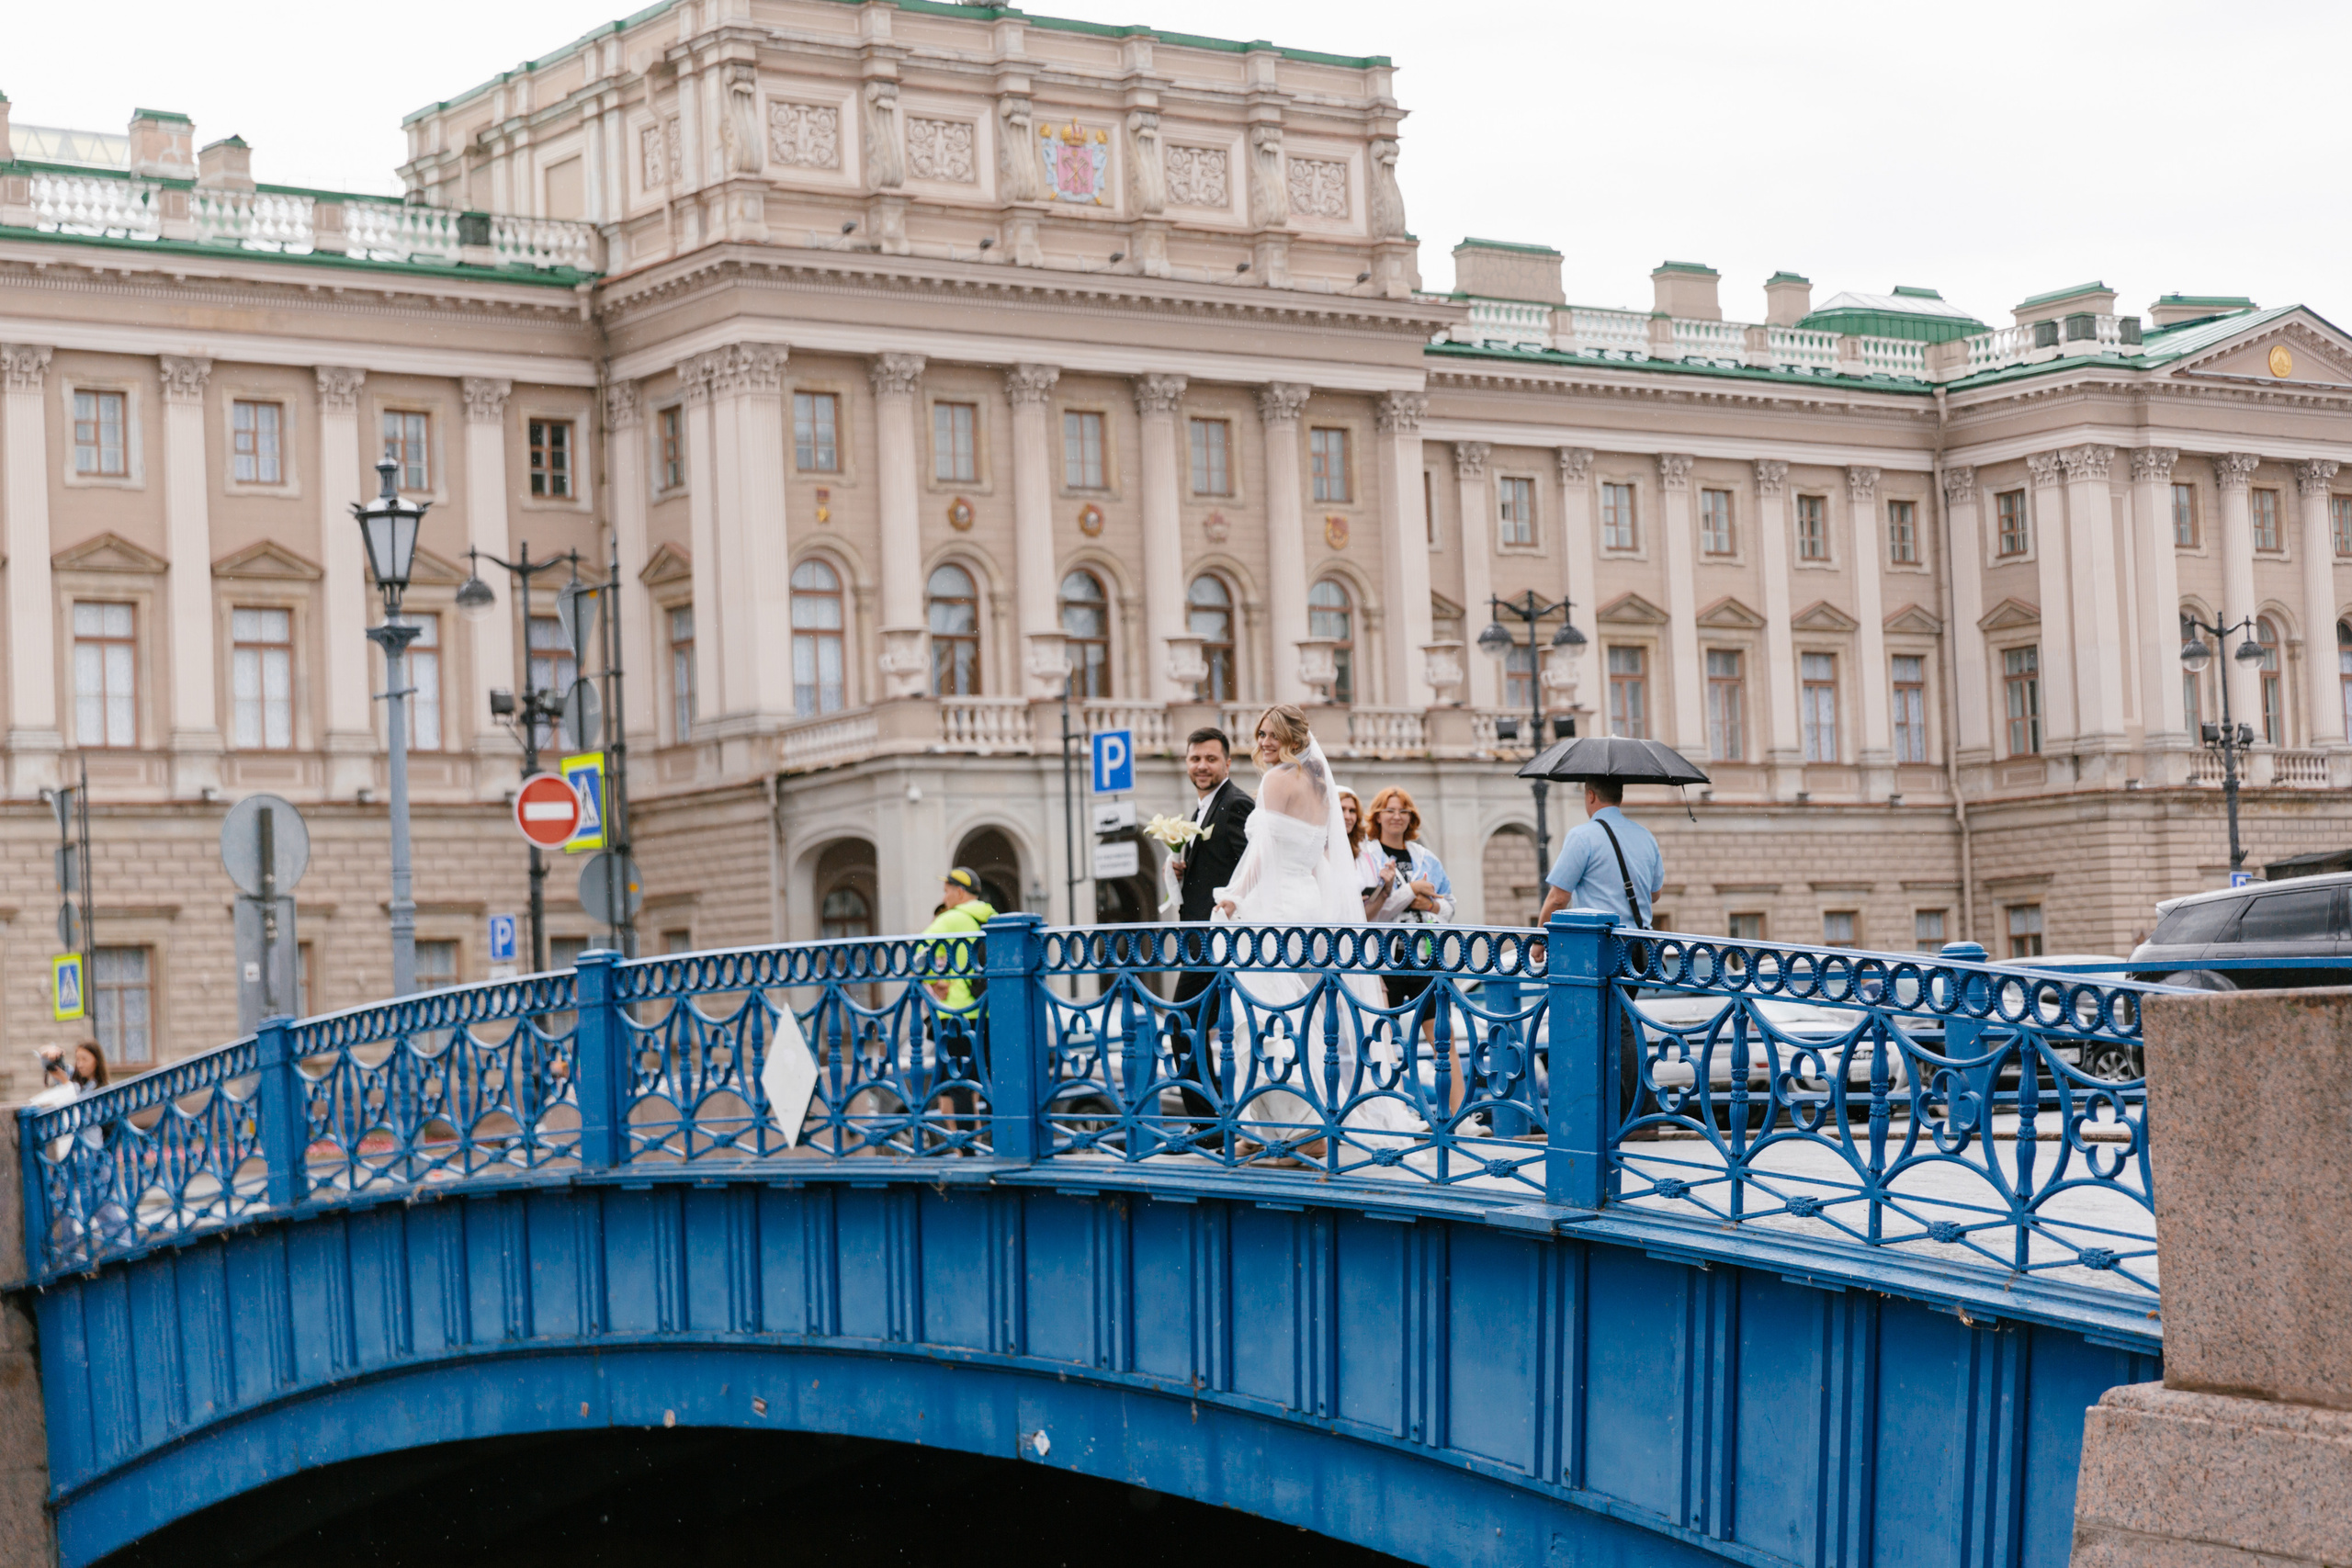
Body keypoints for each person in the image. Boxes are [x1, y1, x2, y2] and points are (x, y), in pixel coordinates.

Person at [1212, 705, 1419, 1153]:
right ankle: (1270, 1127)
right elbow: (1320, 858)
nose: (1264, 742)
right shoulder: (1319, 785)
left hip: (1277, 908)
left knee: (1262, 1017)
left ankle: (1299, 1127)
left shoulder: (1275, 781)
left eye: (1273, 735)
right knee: (1291, 1015)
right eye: (1261, 734)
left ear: (1292, 738)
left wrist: (1233, 897)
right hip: (1306, 908)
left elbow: (1262, 855)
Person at [1167, 728, 1254, 1135]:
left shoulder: (1236, 805)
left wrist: (1231, 901)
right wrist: (1182, 868)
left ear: (1227, 763)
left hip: (1222, 941)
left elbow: (1252, 868)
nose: (1202, 766)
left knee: (1187, 1025)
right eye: (1195, 758)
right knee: (1194, 1027)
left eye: (1211, 759)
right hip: (1200, 940)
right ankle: (1213, 1119)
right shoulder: (1199, 810)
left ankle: (1212, 1121)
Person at [920, 869, 997, 1140]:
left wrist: (934, 980)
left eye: (947, 890)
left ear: (960, 892)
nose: (945, 896)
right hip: (989, 1011)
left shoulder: (952, 918)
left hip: (957, 1014)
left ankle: (967, 1149)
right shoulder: (992, 916)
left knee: (960, 1084)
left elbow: (918, 952)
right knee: (991, 1081)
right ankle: (999, 1143)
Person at [1536, 779, 1664, 929]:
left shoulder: (1581, 836)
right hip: (1641, 944)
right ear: (1620, 798)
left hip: (1600, 945)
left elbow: (1558, 899)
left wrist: (1539, 939)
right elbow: (1654, 895)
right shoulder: (1646, 836)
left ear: (1591, 796)